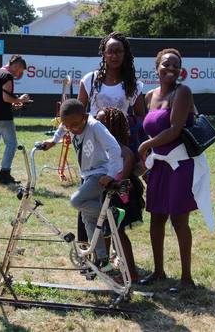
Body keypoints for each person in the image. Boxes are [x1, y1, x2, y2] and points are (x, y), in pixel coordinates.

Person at [51, 32, 145, 242]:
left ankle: (114, 251)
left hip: (117, 146)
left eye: (118, 51)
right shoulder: (90, 80)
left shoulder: (134, 85)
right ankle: (91, 249)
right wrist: (57, 137)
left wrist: (121, 124)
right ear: (103, 53)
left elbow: (140, 116)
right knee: (89, 194)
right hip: (91, 146)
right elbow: (75, 112)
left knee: (112, 195)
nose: (114, 55)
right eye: (110, 51)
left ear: (125, 54)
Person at [138, 48, 215, 293]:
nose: (171, 69)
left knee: (179, 220)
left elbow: (173, 129)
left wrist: (146, 145)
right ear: (157, 66)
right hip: (159, 165)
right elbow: (146, 126)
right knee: (156, 218)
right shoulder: (149, 95)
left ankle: (186, 279)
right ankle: (158, 271)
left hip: (180, 165)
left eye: (176, 66)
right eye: (166, 64)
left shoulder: (182, 92)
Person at [43, 99, 123, 273]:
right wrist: (54, 141)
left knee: (77, 201)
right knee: (87, 218)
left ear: (85, 116)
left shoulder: (95, 127)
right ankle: (103, 260)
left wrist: (111, 174)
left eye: (75, 124)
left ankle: (112, 213)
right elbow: (63, 127)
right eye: (68, 126)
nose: (72, 129)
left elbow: (115, 148)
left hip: (100, 173)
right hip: (87, 174)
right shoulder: (69, 125)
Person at [95, 106, 145, 283]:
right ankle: (105, 264)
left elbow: (130, 157)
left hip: (118, 192)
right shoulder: (103, 141)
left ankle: (132, 273)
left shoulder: (115, 142)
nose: (97, 124)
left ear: (111, 125)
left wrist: (119, 182)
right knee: (105, 229)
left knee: (118, 232)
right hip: (108, 189)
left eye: (101, 122)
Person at [0, 54, 30, 185]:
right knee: (11, 144)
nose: (18, 75)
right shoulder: (7, 76)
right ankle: (5, 174)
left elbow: (0, 98)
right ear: (16, 66)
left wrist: (13, 102)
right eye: (20, 71)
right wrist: (21, 99)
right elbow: (6, 98)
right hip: (3, 117)